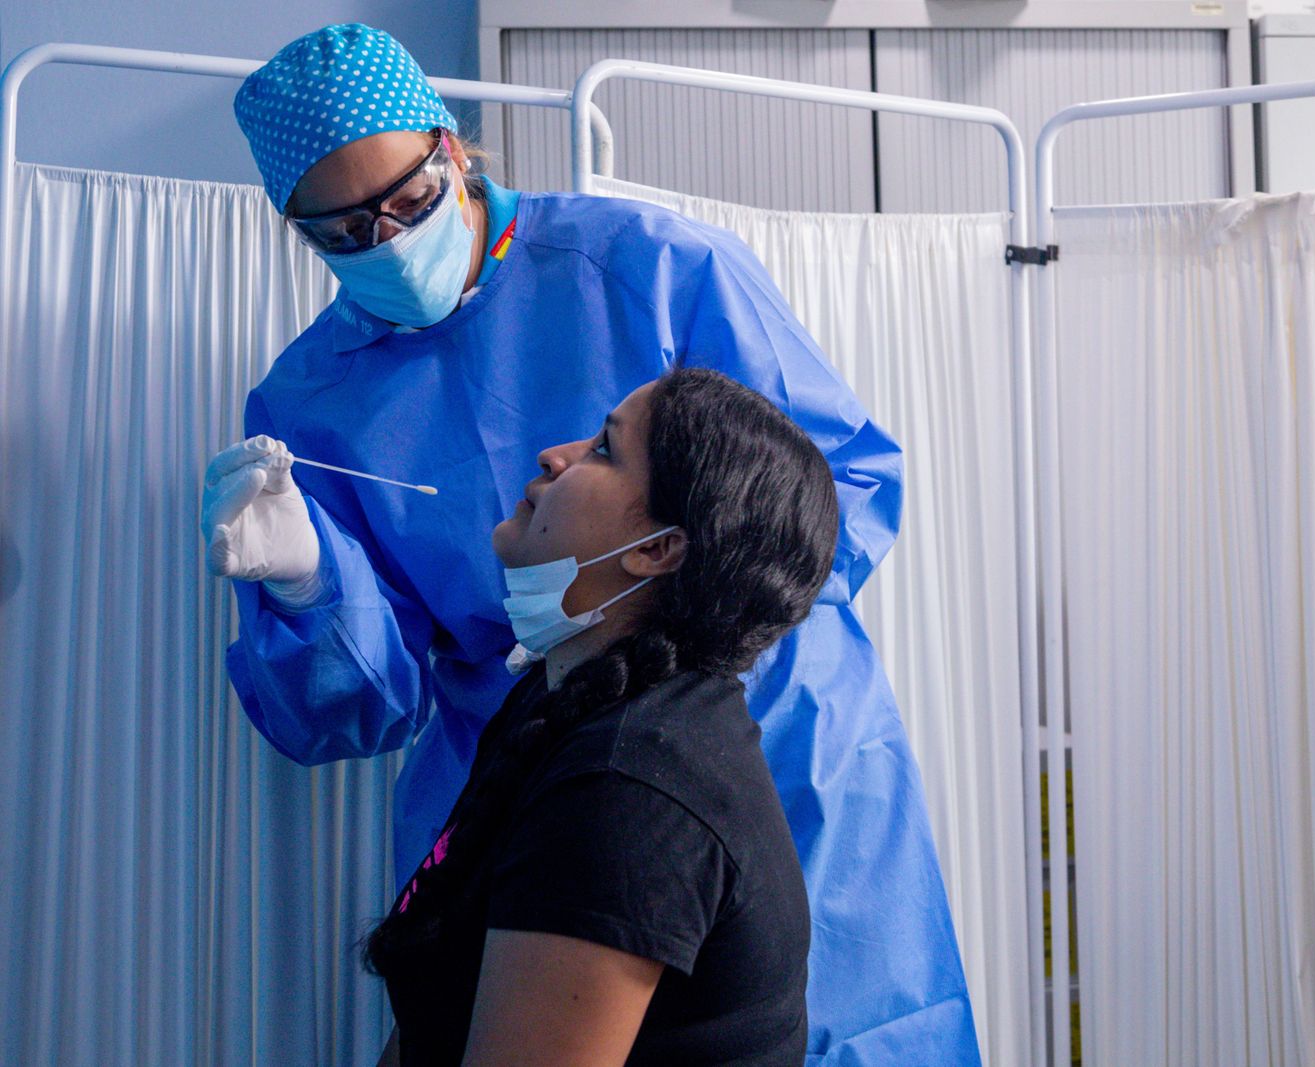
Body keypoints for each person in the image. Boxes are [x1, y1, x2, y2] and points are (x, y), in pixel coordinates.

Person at [202, 24, 980, 1061]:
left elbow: (824, 493)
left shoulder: (652, 267)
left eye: (408, 200)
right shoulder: (310, 399)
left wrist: (674, 639)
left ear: (456, 149)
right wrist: (309, 587)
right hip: (532, 756)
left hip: (764, 716)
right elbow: (361, 697)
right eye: (342, 231)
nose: (384, 239)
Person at [366, 367, 827, 1066]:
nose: (555, 455)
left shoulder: (631, 790)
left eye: (604, 450)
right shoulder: (562, 705)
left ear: (655, 548)